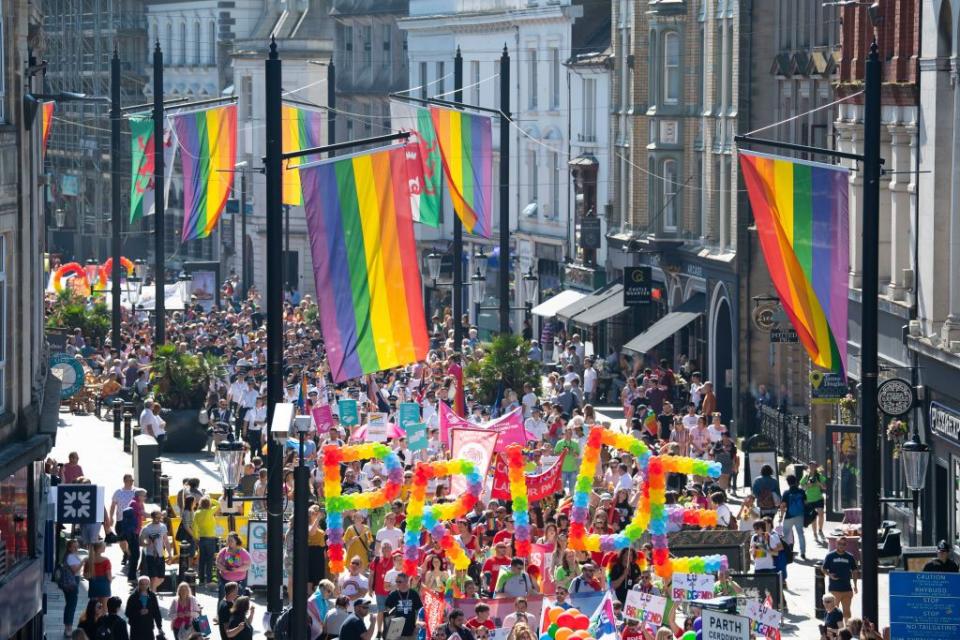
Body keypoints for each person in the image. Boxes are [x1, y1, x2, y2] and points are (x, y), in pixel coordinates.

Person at [822, 536, 859, 623]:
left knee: (847, 612)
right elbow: (823, 568)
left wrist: (855, 585)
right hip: (834, 589)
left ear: (846, 545)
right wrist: (829, 575)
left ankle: (847, 630)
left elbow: (854, 571)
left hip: (847, 588)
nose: (841, 546)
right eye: (839, 543)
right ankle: (835, 629)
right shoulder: (830, 556)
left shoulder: (850, 557)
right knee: (834, 611)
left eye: (844, 544)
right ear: (836, 544)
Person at [381, 572, 422, 640]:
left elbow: (419, 610)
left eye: (399, 581)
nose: (397, 583)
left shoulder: (413, 594)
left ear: (406, 581)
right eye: (396, 581)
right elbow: (387, 609)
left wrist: (417, 627)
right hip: (396, 629)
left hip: (410, 628)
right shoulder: (393, 594)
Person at [139, 510, 171, 591]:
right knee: (154, 578)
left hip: (160, 555)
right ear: (152, 517)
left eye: (160, 517)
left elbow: (166, 541)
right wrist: (146, 544)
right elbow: (140, 541)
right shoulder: (146, 528)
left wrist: (170, 554)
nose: (159, 519)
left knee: (161, 578)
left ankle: (149, 590)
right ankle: (153, 594)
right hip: (150, 555)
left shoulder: (163, 526)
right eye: (157, 517)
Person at [59, 538, 84, 636]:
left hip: (70, 583)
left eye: (77, 546)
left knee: (70, 605)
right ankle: (68, 628)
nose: (76, 548)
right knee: (71, 606)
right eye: (74, 546)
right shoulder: (70, 556)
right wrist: (83, 562)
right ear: (69, 548)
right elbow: (75, 570)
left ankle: (67, 627)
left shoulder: (70, 555)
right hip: (71, 584)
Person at [216, 532, 252, 600]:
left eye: (231, 541)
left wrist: (237, 569)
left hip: (239, 580)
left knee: (237, 600)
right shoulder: (223, 551)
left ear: (236, 541)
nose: (229, 542)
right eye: (228, 540)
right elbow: (217, 562)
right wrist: (223, 568)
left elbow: (248, 565)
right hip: (225, 579)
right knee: (222, 598)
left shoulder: (242, 552)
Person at [779, 474, 808, 560]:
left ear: (788, 483)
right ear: (796, 482)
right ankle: (803, 552)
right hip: (800, 516)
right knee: (801, 534)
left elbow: (783, 506)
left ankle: (786, 552)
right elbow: (806, 504)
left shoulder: (786, 493)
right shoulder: (801, 492)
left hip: (789, 516)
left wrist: (781, 516)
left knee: (785, 535)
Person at [195, 495, 220, 586]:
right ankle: (209, 580)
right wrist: (210, 499)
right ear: (209, 503)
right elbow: (218, 504)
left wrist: (196, 538)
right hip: (211, 538)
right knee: (210, 560)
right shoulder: (210, 511)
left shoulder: (197, 513)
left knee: (201, 560)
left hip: (201, 538)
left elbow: (194, 527)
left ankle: (201, 580)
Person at [801, 460, 829, 540]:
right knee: (813, 517)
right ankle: (814, 533)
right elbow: (802, 487)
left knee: (821, 513)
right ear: (809, 467)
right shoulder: (806, 476)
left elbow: (825, 487)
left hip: (819, 498)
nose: (812, 467)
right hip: (810, 499)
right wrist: (807, 485)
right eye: (810, 466)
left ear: (816, 467)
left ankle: (820, 530)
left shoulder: (819, 476)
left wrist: (819, 484)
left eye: (813, 466)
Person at [83, 540, 113, 607]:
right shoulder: (106, 561)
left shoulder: (88, 560)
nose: (105, 548)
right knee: (104, 607)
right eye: (103, 547)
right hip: (104, 584)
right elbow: (108, 575)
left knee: (93, 607)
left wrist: (92, 579)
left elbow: (85, 575)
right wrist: (111, 580)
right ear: (99, 549)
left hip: (93, 584)